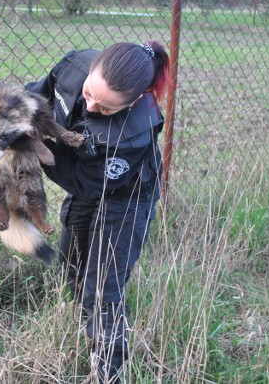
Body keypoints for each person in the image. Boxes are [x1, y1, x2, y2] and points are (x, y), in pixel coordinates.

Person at [25, 41, 169, 382]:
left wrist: (33, 146)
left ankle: (109, 370)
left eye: (104, 108)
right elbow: (36, 96)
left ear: (133, 102)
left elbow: (84, 182)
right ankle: (83, 326)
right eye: (89, 93)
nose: (89, 106)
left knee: (103, 288)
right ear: (93, 68)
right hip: (85, 174)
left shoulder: (132, 132)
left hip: (125, 195)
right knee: (72, 258)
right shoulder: (74, 64)